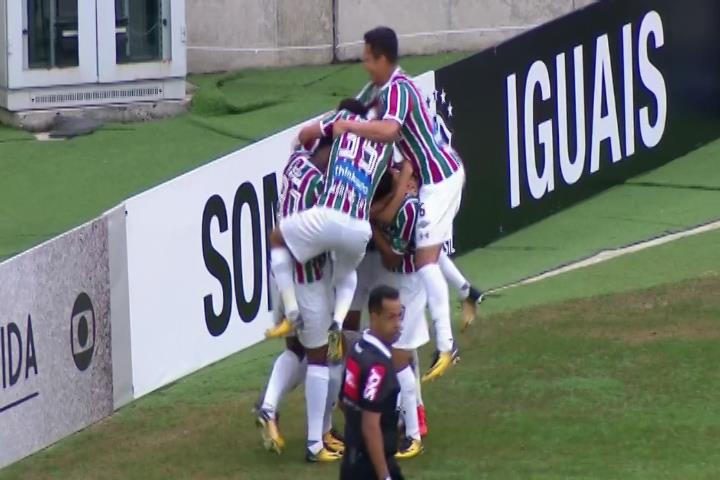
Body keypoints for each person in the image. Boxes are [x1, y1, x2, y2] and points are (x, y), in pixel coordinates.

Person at [334, 26, 466, 382]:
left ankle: (447, 344)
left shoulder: (398, 89)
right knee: (430, 256)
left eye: (366, 58)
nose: (364, 65)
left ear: (381, 58)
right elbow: (368, 113)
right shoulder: (386, 89)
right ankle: (465, 300)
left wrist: (347, 127)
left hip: (441, 179)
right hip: (433, 181)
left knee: (425, 262)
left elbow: (390, 131)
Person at [269, 98, 393, 367]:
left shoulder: (302, 159)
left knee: (278, 238)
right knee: (346, 276)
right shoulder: (386, 145)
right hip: (356, 230)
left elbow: (304, 136)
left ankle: (292, 312)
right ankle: (337, 325)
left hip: (313, 236)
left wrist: (326, 125)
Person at [259, 136, 345, 461]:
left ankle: (268, 406)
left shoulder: (296, 163)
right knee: (323, 357)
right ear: (325, 149)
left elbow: (297, 141)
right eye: (335, 150)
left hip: (279, 274)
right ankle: (315, 443)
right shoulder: (322, 187)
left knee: (296, 349)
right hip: (307, 280)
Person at [371, 168, 425, 459]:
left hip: (410, 286)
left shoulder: (409, 210)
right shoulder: (399, 204)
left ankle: (414, 436)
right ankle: (403, 419)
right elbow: (376, 213)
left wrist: (375, 230)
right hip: (402, 285)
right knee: (398, 358)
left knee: (400, 360)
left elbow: (392, 257)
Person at [340, 285, 405, 480]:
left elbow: (343, 402)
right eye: (390, 317)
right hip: (370, 466)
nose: (398, 324)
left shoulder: (357, 348)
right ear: (374, 317)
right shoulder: (379, 367)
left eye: (399, 316)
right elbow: (371, 426)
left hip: (351, 458)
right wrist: (384, 476)